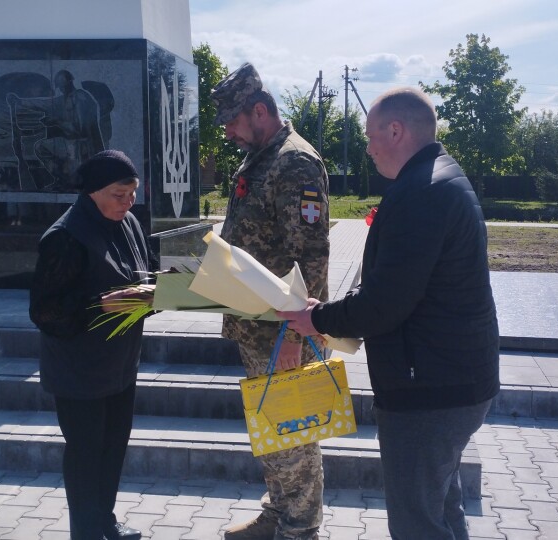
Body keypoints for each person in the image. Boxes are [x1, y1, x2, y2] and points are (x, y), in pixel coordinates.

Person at [277, 87, 500, 540]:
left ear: (395, 130)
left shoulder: (422, 193)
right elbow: (403, 283)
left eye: (369, 135)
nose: (367, 148)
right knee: (441, 509)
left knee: (418, 523)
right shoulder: (441, 177)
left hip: (430, 391)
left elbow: (386, 304)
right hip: (453, 379)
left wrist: (316, 320)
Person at [211, 63, 330, 540]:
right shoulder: (261, 156)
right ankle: (278, 514)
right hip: (253, 325)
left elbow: (312, 258)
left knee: (294, 436)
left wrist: (295, 335)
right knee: (271, 433)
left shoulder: (294, 162)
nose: (228, 132)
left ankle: (301, 529)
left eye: (233, 121)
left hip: (281, 331)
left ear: (259, 111)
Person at [29, 149, 151, 540]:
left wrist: (155, 291)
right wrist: (101, 304)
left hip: (119, 363)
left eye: (133, 193)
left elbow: (139, 273)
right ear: (94, 192)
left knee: (113, 447)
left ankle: (104, 523)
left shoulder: (127, 221)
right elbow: (44, 311)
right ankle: (85, 532)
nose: (128, 202)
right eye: (119, 194)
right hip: (79, 370)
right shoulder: (64, 237)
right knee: (86, 454)